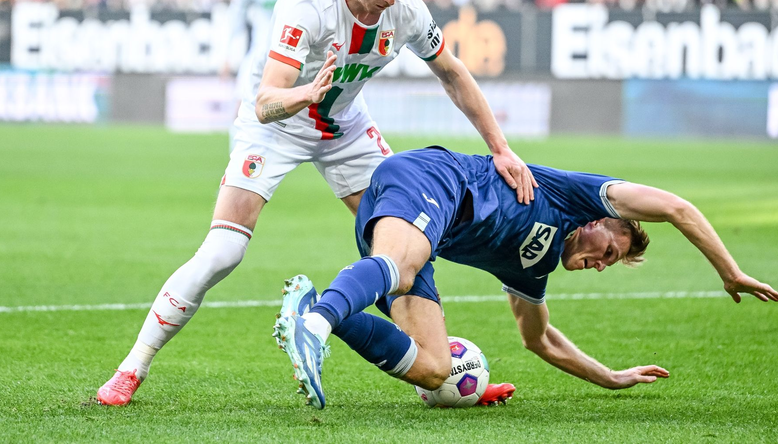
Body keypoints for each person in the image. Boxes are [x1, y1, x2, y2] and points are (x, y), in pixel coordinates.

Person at [96, 0, 537, 405]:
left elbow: (452, 74)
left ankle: (445, 375)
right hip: (275, 126)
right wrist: (304, 93)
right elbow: (266, 101)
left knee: (410, 241)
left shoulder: (405, 7)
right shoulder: (308, 2)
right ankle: (131, 369)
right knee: (224, 252)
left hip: (345, 127)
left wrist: (501, 147)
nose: (392, 0)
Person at [273, 146, 778, 409]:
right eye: (607, 250)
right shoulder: (574, 196)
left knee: (432, 370)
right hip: (435, 180)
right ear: (598, 220)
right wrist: (729, 272)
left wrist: (611, 378)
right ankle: (315, 324)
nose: (600, 263)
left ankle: (317, 308)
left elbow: (539, 341)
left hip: (417, 230)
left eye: (608, 265)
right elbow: (675, 207)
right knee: (401, 267)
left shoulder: (532, 269)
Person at [223, 0, 318, 149]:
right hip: (259, 51)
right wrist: (227, 54)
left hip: (296, 52)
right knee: (241, 105)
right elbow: (236, 16)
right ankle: (237, 157)